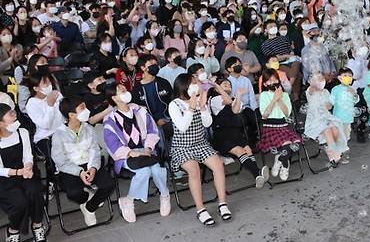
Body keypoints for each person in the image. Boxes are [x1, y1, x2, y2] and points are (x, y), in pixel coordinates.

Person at [168, 73, 231, 226]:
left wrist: (202, 107)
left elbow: (207, 123)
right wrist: (191, 105)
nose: (197, 86)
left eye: (197, 82)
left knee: (218, 166)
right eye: (193, 83)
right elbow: (182, 127)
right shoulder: (174, 104)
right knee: (194, 170)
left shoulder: (199, 100)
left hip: (200, 143)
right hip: (182, 147)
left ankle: (222, 204)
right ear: (183, 86)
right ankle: (200, 210)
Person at [102, 82, 170, 222]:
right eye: (121, 90)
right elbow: (112, 144)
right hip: (127, 155)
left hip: (146, 150)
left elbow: (152, 130)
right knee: (144, 171)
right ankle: (129, 201)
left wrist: (148, 148)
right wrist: (132, 153)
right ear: (114, 98)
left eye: (125, 89)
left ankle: (165, 195)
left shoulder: (140, 110)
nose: (125, 91)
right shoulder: (110, 120)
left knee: (157, 170)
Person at [51, 96, 115, 227]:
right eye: (82, 108)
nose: (86, 110)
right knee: (74, 193)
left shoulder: (88, 128)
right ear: (71, 115)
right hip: (70, 167)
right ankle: (86, 198)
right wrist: (79, 172)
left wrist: (93, 168)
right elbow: (59, 160)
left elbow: (95, 151)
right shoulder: (59, 134)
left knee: (108, 185)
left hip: (90, 163)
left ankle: (89, 208)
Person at [209, 78, 269, 189]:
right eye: (224, 83)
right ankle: (258, 173)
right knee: (240, 151)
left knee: (248, 149)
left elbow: (235, 110)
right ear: (217, 89)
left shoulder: (233, 99)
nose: (227, 84)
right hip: (223, 135)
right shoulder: (215, 100)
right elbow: (227, 101)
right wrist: (217, 86)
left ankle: (257, 175)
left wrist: (239, 95)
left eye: (229, 83)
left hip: (236, 132)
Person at [0, 103, 47, 242]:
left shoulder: (23, 132)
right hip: (6, 178)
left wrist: (28, 166)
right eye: (10, 115)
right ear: (1, 123)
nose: (15, 115)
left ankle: (37, 225)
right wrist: (18, 172)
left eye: (13, 112)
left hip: (26, 172)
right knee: (19, 203)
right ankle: (13, 230)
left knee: (35, 191)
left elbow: (28, 155)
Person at [258, 68, 302, 182]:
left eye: (275, 80)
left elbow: (287, 113)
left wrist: (279, 99)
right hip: (270, 127)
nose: (273, 83)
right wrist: (273, 100)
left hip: (283, 126)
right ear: (265, 83)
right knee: (287, 146)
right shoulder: (264, 95)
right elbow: (264, 115)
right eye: (270, 81)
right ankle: (285, 166)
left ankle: (279, 160)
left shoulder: (285, 95)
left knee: (296, 144)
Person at [304, 73, 348, 165]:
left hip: (326, 116)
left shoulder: (326, 92)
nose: (321, 81)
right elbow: (312, 89)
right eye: (318, 79)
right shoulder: (310, 91)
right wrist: (313, 82)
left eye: (322, 79)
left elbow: (330, 104)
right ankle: (336, 153)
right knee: (327, 129)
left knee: (335, 129)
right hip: (315, 119)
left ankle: (330, 148)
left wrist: (329, 105)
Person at [330, 67, 359, 149]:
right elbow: (331, 101)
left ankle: (342, 151)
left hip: (348, 117)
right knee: (338, 135)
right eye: (345, 75)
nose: (348, 78)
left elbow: (356, 100)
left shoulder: (352, 89)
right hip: (338, 117)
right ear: (340, 78)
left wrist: (354, 94)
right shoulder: (336, 89)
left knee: (346, 135)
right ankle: (337, 152)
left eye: (350, 76)